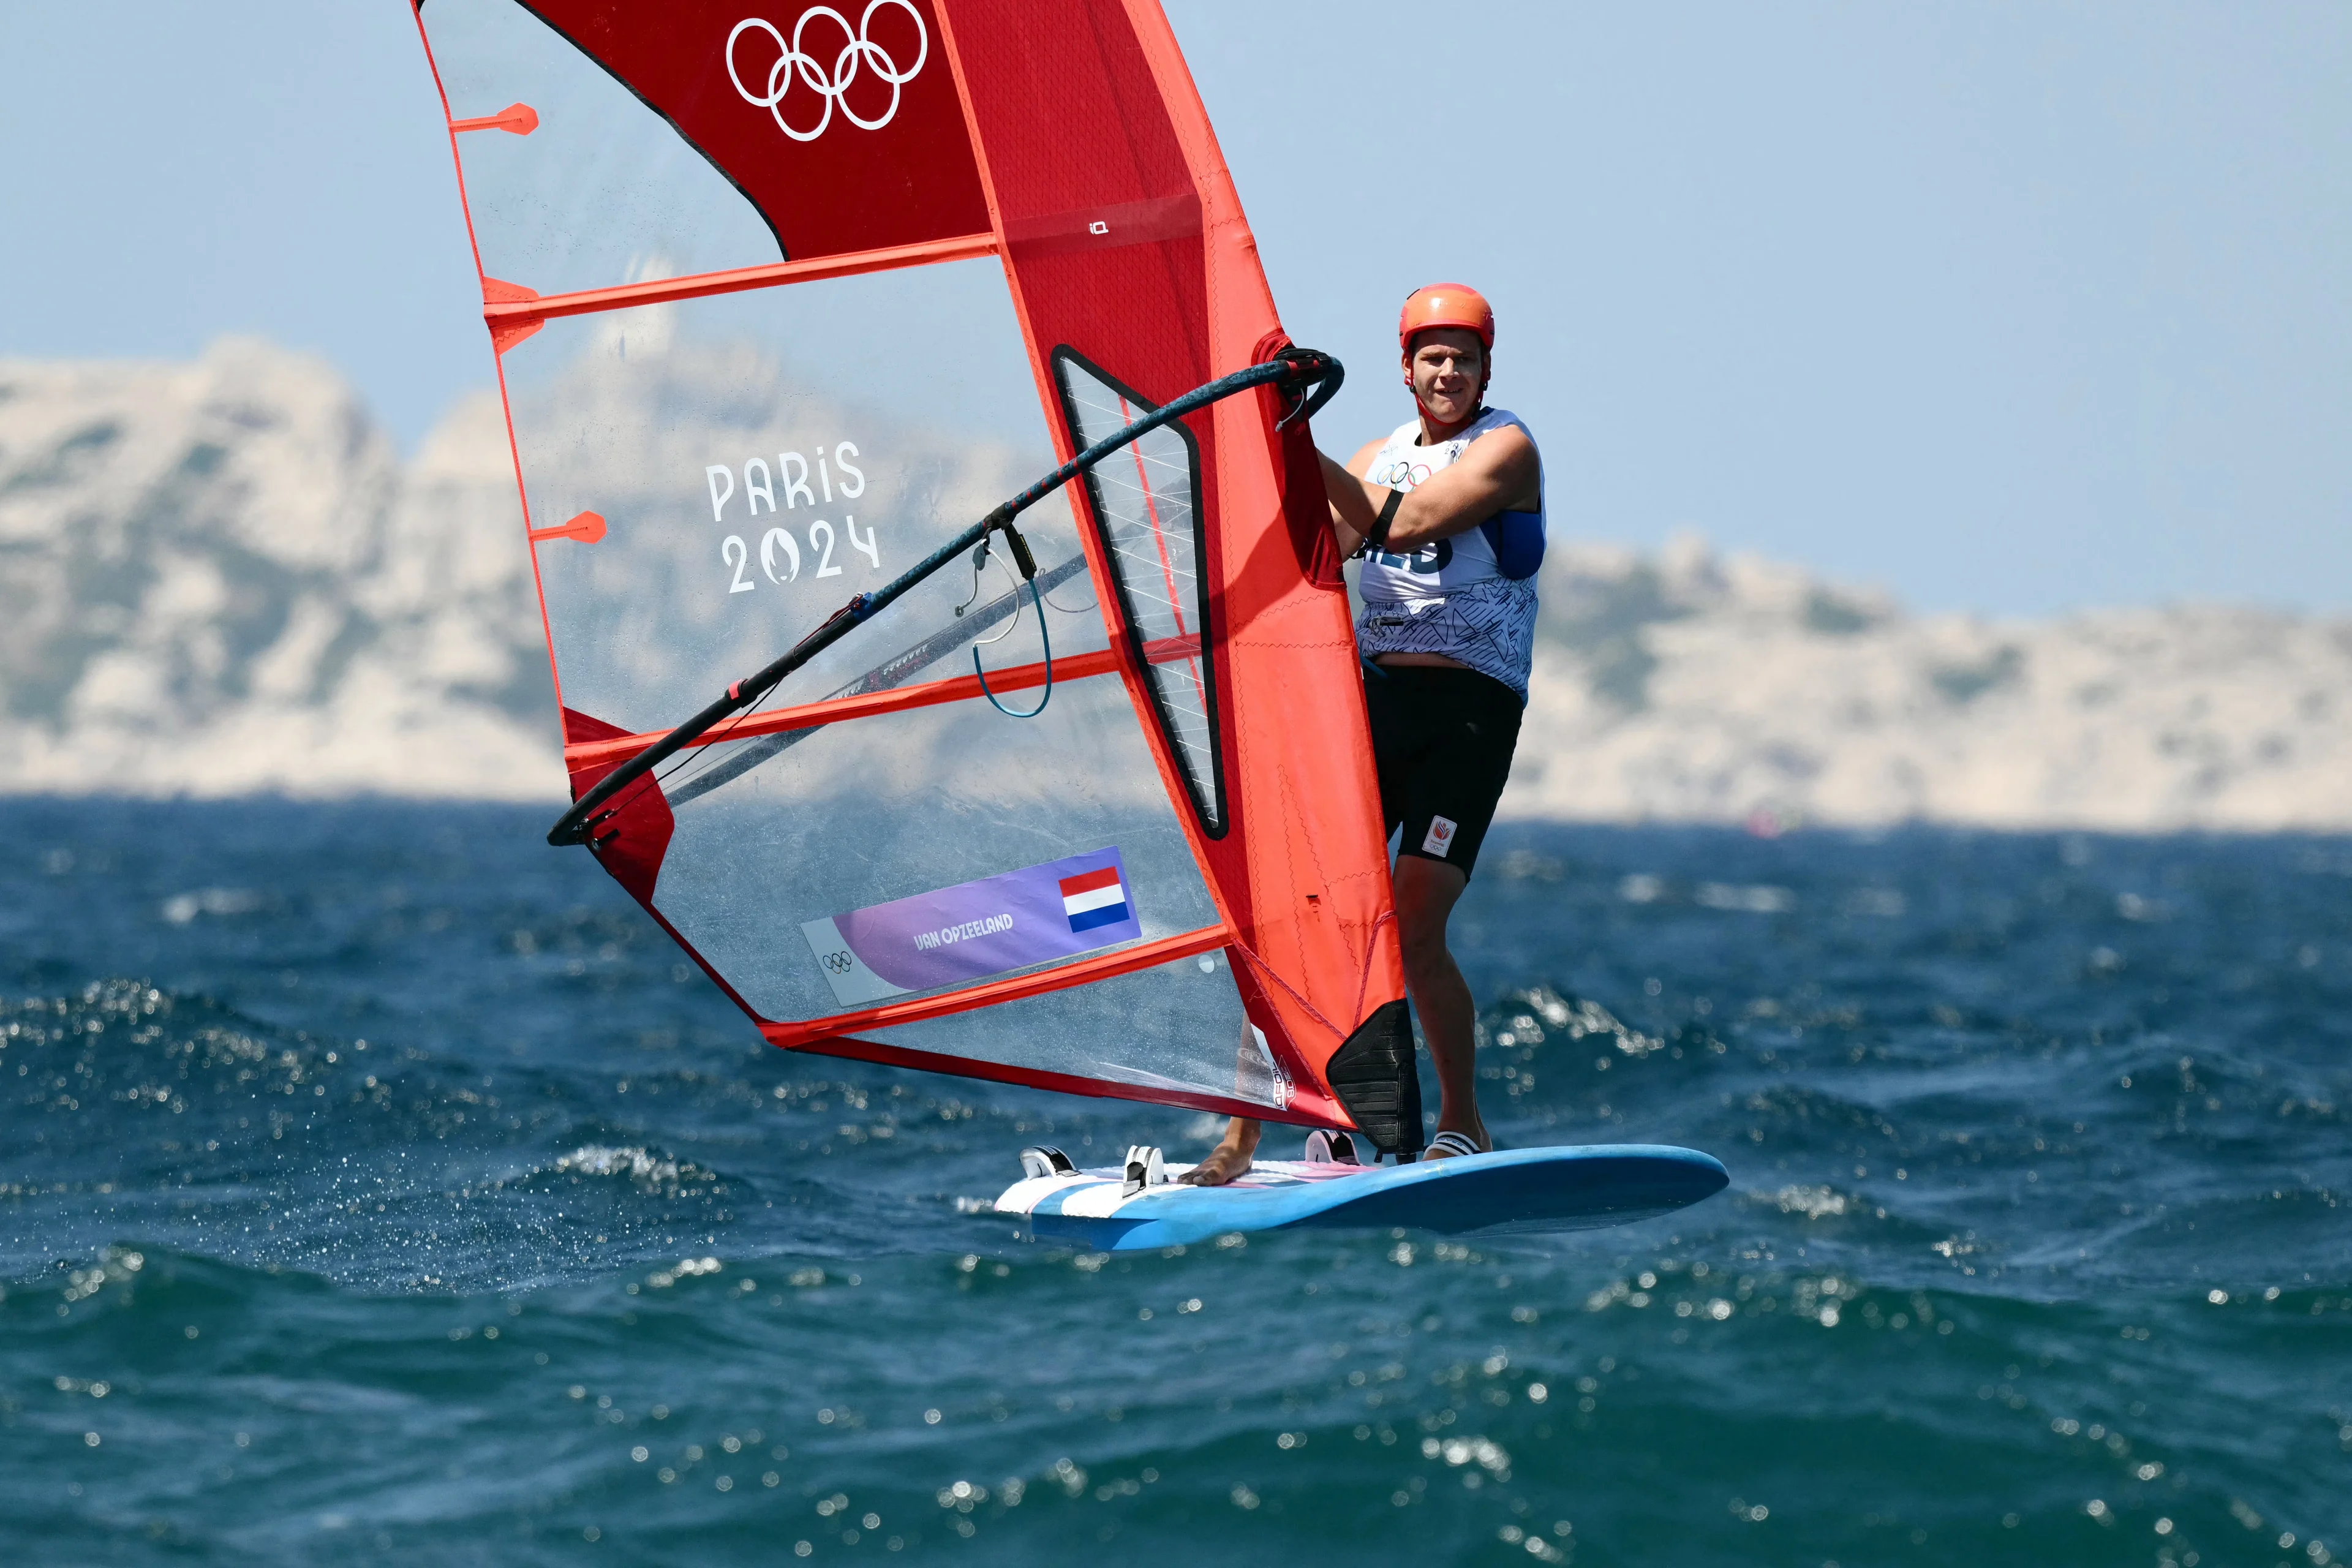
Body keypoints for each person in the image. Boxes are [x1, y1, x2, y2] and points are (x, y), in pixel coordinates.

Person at [1184, 282, 1545, 1184]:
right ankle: (1247, 1136)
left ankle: (1463, 1124)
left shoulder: (1508, 449)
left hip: (1472, 711)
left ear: (1486, 368)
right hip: (1375, 700)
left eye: (1464, 356)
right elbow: (1317, 544)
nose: (1449, 370)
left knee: (1415, 922)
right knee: (1295, 911)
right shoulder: (1374, 454)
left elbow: (1405, 519)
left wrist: (1294, 432)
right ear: (1406, 368)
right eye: (1433, 356)